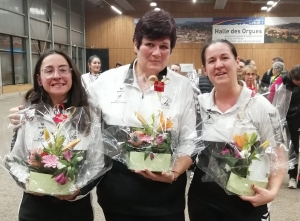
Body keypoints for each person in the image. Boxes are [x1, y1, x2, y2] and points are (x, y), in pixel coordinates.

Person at [88, 10, 196, 221]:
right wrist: (32, 109)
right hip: (118, 198)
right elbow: (84, 127)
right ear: (136, 44)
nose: (156, 52)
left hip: (166, 199)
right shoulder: (105, 82)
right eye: (149, 44)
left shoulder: (182, 86)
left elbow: (189, 139)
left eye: (164, 46)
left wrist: (174, 173)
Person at [188, 39, 285, 221]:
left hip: (248, 201)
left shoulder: (261, 106)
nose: (219, 65)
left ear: (237, 62)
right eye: (211, 61)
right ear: (204, 68)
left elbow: (278, 155)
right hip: (204, 202)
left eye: (225, 58)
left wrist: (271, 192)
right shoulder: (198, 105)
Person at [6, 49, 100, 221]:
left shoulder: (89, 116)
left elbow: (98, 163)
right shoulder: (27, 115)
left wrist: (79, 190)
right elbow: (14, 160)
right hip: (35, 210)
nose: (57, 75)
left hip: (76, 210)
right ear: (39, 79)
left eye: (63, 69)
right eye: (49, 71)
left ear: (72, 75)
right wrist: (27, 181)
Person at [268, 65, 300, 189]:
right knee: (284, 145)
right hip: (285, 117)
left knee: (294, 147)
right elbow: (271, 96)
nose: (298, 83)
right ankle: (285, 174)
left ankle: (295, 177)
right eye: (297, 81)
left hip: (296, 117)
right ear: (291, 77)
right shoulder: (281, 80)